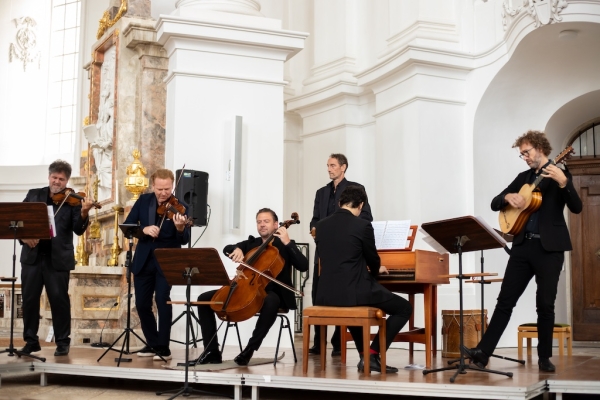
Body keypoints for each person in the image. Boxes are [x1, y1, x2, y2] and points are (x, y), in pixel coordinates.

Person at [463, 130, 582, 372]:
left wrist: (563, 182)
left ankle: (544, 358)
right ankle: (483, 353)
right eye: (522, 154)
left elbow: (577, 207)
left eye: (526, 152)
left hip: (549, 249)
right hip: (522, 247)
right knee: (505, 301)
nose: (525, 157)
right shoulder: (524, 177)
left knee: (545, 304)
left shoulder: (561, 173)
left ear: (540, 149)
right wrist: (508, 197)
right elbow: (495, 202)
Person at [315, 185, 412, 373]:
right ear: (360, 205)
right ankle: (373, 354)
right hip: (353, 289)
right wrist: (377, 269)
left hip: (326, 292)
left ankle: (364, 356)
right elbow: (372, 259)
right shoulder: (362, 225)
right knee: (404, 308)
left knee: (353, 306)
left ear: (340, 203)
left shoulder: (321, 226)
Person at [197, 208, 308, 366]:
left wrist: (288, 242)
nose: (262, 225)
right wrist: (235, 249)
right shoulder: (252, 244)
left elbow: (303, 266)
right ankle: (211, 351)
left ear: (276, 224)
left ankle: (250, 349)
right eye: (259, 222)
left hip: (275, 293)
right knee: (204, 299)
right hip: (247, 289)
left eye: (266, 221)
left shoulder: (284, 245)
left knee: (271, 301)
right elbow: (227, 248)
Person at [20, 160, 94, 356]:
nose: (57, 182)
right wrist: (24, 237)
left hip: (57, 259)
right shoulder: (33, 194)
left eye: (62, 179)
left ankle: (62, 342)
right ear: (49, 176)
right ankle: (30, 341)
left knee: (59, 301)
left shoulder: (73, 201)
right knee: (29, 300)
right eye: (55, 177)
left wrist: (85, 212)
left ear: (67, 180)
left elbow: (78, 229)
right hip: (32, 257)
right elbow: (18, 221)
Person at [309, 153, 373, 356]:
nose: (329, 169)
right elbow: (315, 219)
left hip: (347, 249)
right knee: (319, 293)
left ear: (343, 167)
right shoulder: (321, 193)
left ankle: (338, 343)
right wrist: (314, 229)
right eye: (327, 165)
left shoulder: (356, 189)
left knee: (341, 293)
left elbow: (366, 217)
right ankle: (319, 343)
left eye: (333, 165)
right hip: (325, 250)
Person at [124, 168, 191, 361]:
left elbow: (184, 238)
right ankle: (152, 343)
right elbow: (128, 227)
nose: (163, 193)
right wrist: (143, 229)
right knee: (142, 304)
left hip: (166, 262)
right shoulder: (144, 201)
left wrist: (179, 228)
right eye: (160, 189)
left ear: (172, 186)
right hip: (143, 261)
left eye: (167, 189)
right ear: (153, 186)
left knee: (162, 300)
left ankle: (164, 346)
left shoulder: (181, 207)